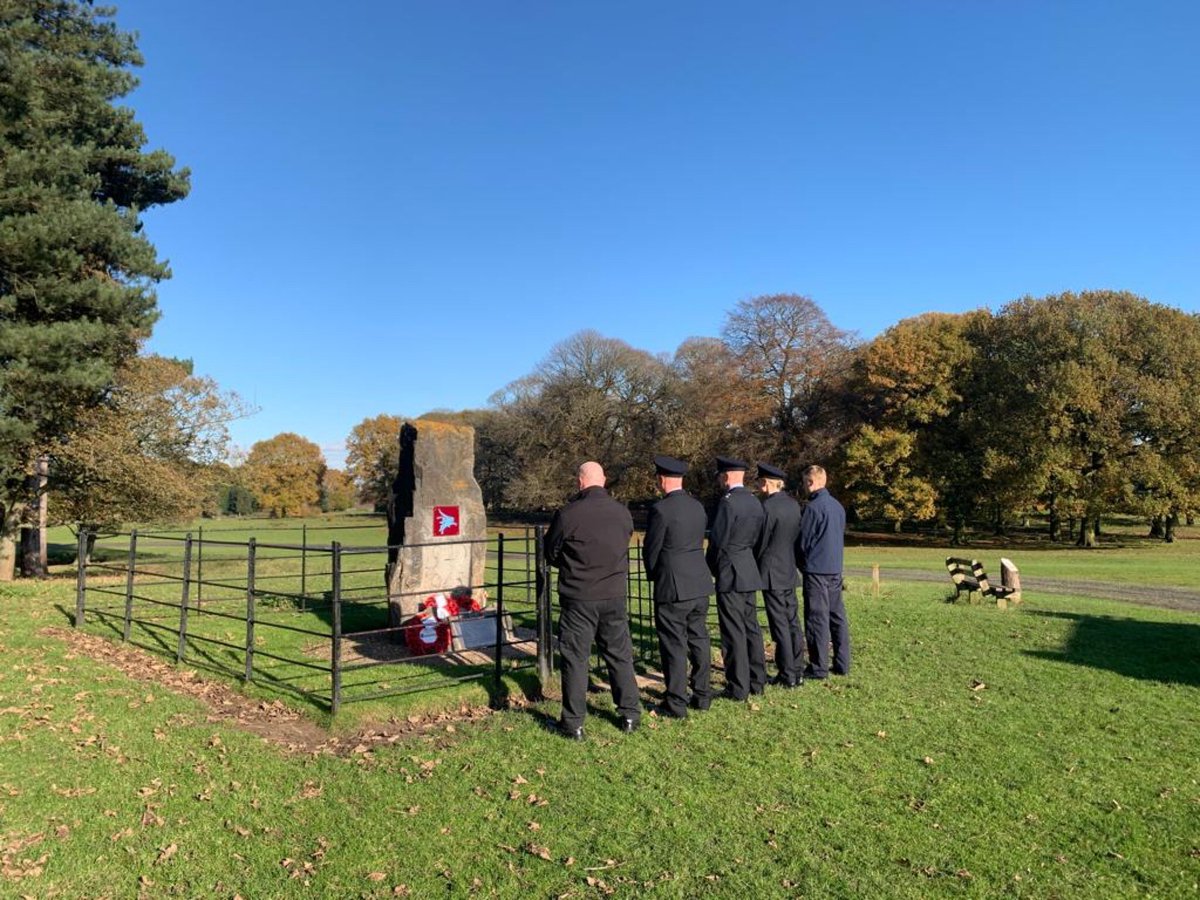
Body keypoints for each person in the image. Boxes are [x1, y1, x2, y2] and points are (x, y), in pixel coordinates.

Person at [545, 461, 641, 740]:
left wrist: (570, 562)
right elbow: (622, 543)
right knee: (619, 654)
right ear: (604, 480)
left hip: (579, 595)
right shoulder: (622, 513)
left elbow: (551, 551)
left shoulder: (569, 514)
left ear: (580, 482)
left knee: (576, 658)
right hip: (613, 593)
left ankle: (573, 722)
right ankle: (630, 714)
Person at [642, 454, 714, 718]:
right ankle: (703, 694)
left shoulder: (661, 510)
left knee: (673, 643)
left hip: (673, 585)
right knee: (699, 639)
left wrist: (654, 574)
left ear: (662, 479)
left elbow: (651, 550)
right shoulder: (697, 507)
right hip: (699, 580)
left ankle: (676, 700)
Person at [705, 456, 767, 700]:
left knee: (733, 630)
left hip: (730, 569)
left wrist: (713, 566)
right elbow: (757, 538)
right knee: (751, 626)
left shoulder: (727, 504)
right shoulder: (755, 502)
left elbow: (717, 542)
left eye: (721, 475)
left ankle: (737, 686)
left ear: (727, 476)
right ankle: (757, 679)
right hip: (748, 567)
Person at [796, 464, 851, 679]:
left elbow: (803, 542)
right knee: (837, 616)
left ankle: (818, 666)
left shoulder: (812, 508)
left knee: (816, 618)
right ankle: (842, 662)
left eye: (804, 482)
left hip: (816, 570)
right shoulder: (838, 507)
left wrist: (801, 563)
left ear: (810, 482)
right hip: (835, 568)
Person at [753, 462, 805, 688]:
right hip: (788, 569)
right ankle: (798, 668)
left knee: (779, 624)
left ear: (766, 483)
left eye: (760, 482)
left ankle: (787, 673)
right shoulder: (794, 506)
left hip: (771, 572)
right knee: (792, 620)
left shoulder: (766, 508)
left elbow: (761, 542)